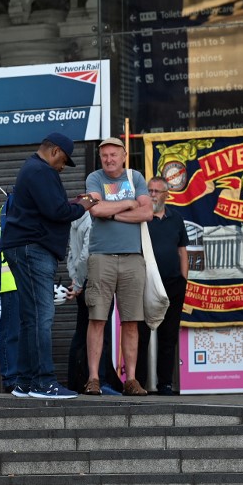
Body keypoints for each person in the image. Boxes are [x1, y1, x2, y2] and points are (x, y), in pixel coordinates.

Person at [1, 133, 95, 399]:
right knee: (42, 317)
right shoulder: (42, 171)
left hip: (23, 248)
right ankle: (44, 382)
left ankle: (25, 382)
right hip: (34, 249)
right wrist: (83, 206)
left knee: (30, 318)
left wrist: (73, 203)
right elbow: (56, 212)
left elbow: (49, 207)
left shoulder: (32, 169)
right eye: (63, 161)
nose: (62, 167)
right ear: (54, 151)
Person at [82, 136, 153, 396]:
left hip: (133, 258)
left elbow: (147, 213)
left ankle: (131, 379)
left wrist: (112, 211)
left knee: (131, 321)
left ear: (124, 155)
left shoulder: (136, 178)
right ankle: (93, 378)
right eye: (104, 156)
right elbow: (96, 210)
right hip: (101, 257)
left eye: (113, 155)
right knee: (97, 318)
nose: (109, 160)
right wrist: (128, 204)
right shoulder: (94, 178)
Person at [135, 176, 189, 396]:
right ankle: (138, 382)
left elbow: (183, 251)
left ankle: (165, 383)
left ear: (167, 194)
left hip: (173, 284)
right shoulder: (140, 218)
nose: (153, 194)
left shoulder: (176, 218)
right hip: (145, 284)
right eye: (150, 190)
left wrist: (183, 280)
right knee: (141, 335)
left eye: (157, 191)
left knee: (168, 335)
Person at [67, 211, 122, 395]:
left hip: (82, 282)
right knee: (101, 333)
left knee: (82, 334)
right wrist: (81, 282)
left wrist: (75, 281)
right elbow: (85, 255)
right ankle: (101, 380)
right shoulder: (93, 220)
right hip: (94, 280)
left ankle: (75, 382)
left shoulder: (76, 219)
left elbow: (71, 255)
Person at [0, 199, 20, 394]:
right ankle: (11, 378)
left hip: (25, 281)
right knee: (11, 332)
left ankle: (19, 376)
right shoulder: (5, 212)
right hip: (11, 281)